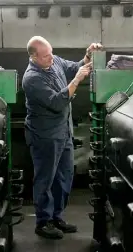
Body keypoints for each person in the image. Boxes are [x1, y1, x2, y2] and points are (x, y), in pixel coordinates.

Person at [22, 36, 103, 239]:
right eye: (46, 56)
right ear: (33, 57)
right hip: (45, 136)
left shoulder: (54, 60)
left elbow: (75, 66)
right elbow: (57, 102)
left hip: (63, 132)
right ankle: (43, 222)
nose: (51, 58)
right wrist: (77, 80)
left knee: (65, 176)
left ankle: (56, 216)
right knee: (45, 179)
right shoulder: (32, 79)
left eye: (51, 53)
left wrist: (88, 55)